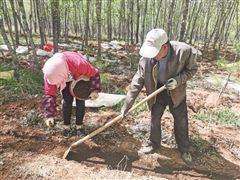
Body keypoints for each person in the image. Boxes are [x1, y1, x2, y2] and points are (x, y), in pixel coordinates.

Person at [121, 28, 199, 164]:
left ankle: (184, 148)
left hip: (176, 92)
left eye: (154, 52)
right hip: (156, 91)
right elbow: (136, 83)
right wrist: (126, 106)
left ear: (164, 47)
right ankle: (154, 143)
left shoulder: (183, 52)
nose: (152, 56)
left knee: (181, 121)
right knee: (154, 118)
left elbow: (192, 70)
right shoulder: (146, 60)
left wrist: (178, 81)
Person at [42, 51, 101, 130]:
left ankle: (79, 126)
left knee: (80, 99)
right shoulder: (50, 74)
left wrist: (95, 90)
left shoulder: (80, 64)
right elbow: (50, 94)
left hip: (79, 76)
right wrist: (49, 115)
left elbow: (95, 72)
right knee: (67, 100)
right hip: (65, 75)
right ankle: (66, 126)